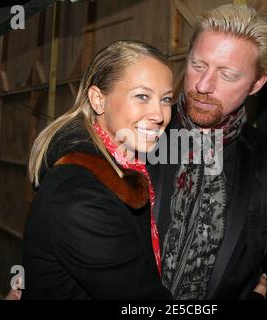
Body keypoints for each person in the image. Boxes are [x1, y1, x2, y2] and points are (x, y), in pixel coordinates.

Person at [147, 4, 267, 299]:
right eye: (197, 65)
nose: (204, 85)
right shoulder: (141, 133)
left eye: (228, 75)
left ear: (257, 83)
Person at [20, 40, 174, 299]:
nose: (159, 114)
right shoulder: (81, 195)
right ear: (98, 100)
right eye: (142, 96)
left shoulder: (122, 167)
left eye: (166, 99)